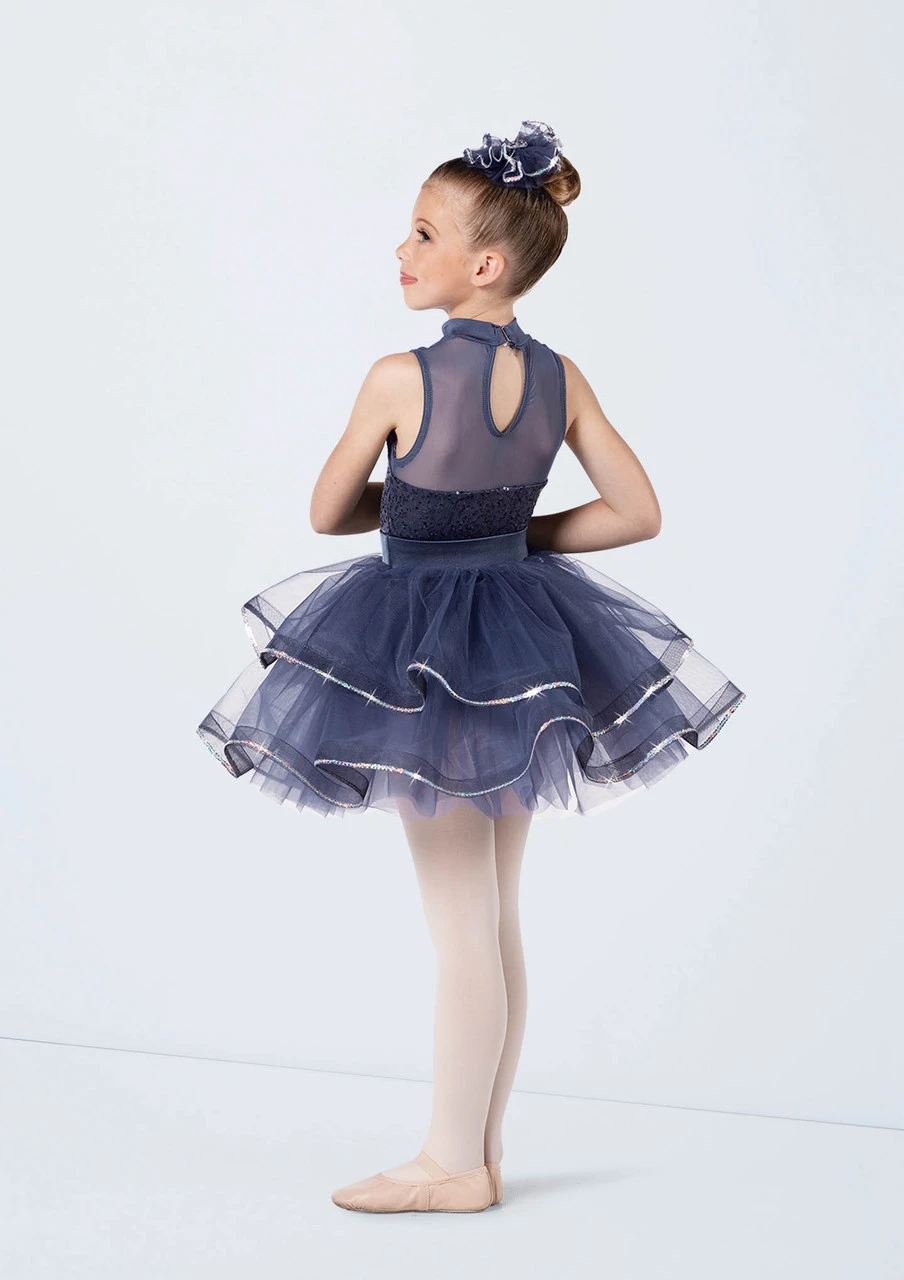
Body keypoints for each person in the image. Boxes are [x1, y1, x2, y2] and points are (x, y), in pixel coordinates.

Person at [196, 120, 746, 1213]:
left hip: (421, 655)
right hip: (527, 646)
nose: (401, 250)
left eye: (422, 233)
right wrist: (512, 535)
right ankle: (479, 1156)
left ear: (485, 264)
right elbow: (636, 511)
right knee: (494, 917)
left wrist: (426, 523)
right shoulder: (560, 377)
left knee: (460, 926)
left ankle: (449, 1162)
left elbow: (328, 512)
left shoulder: (398, 376)